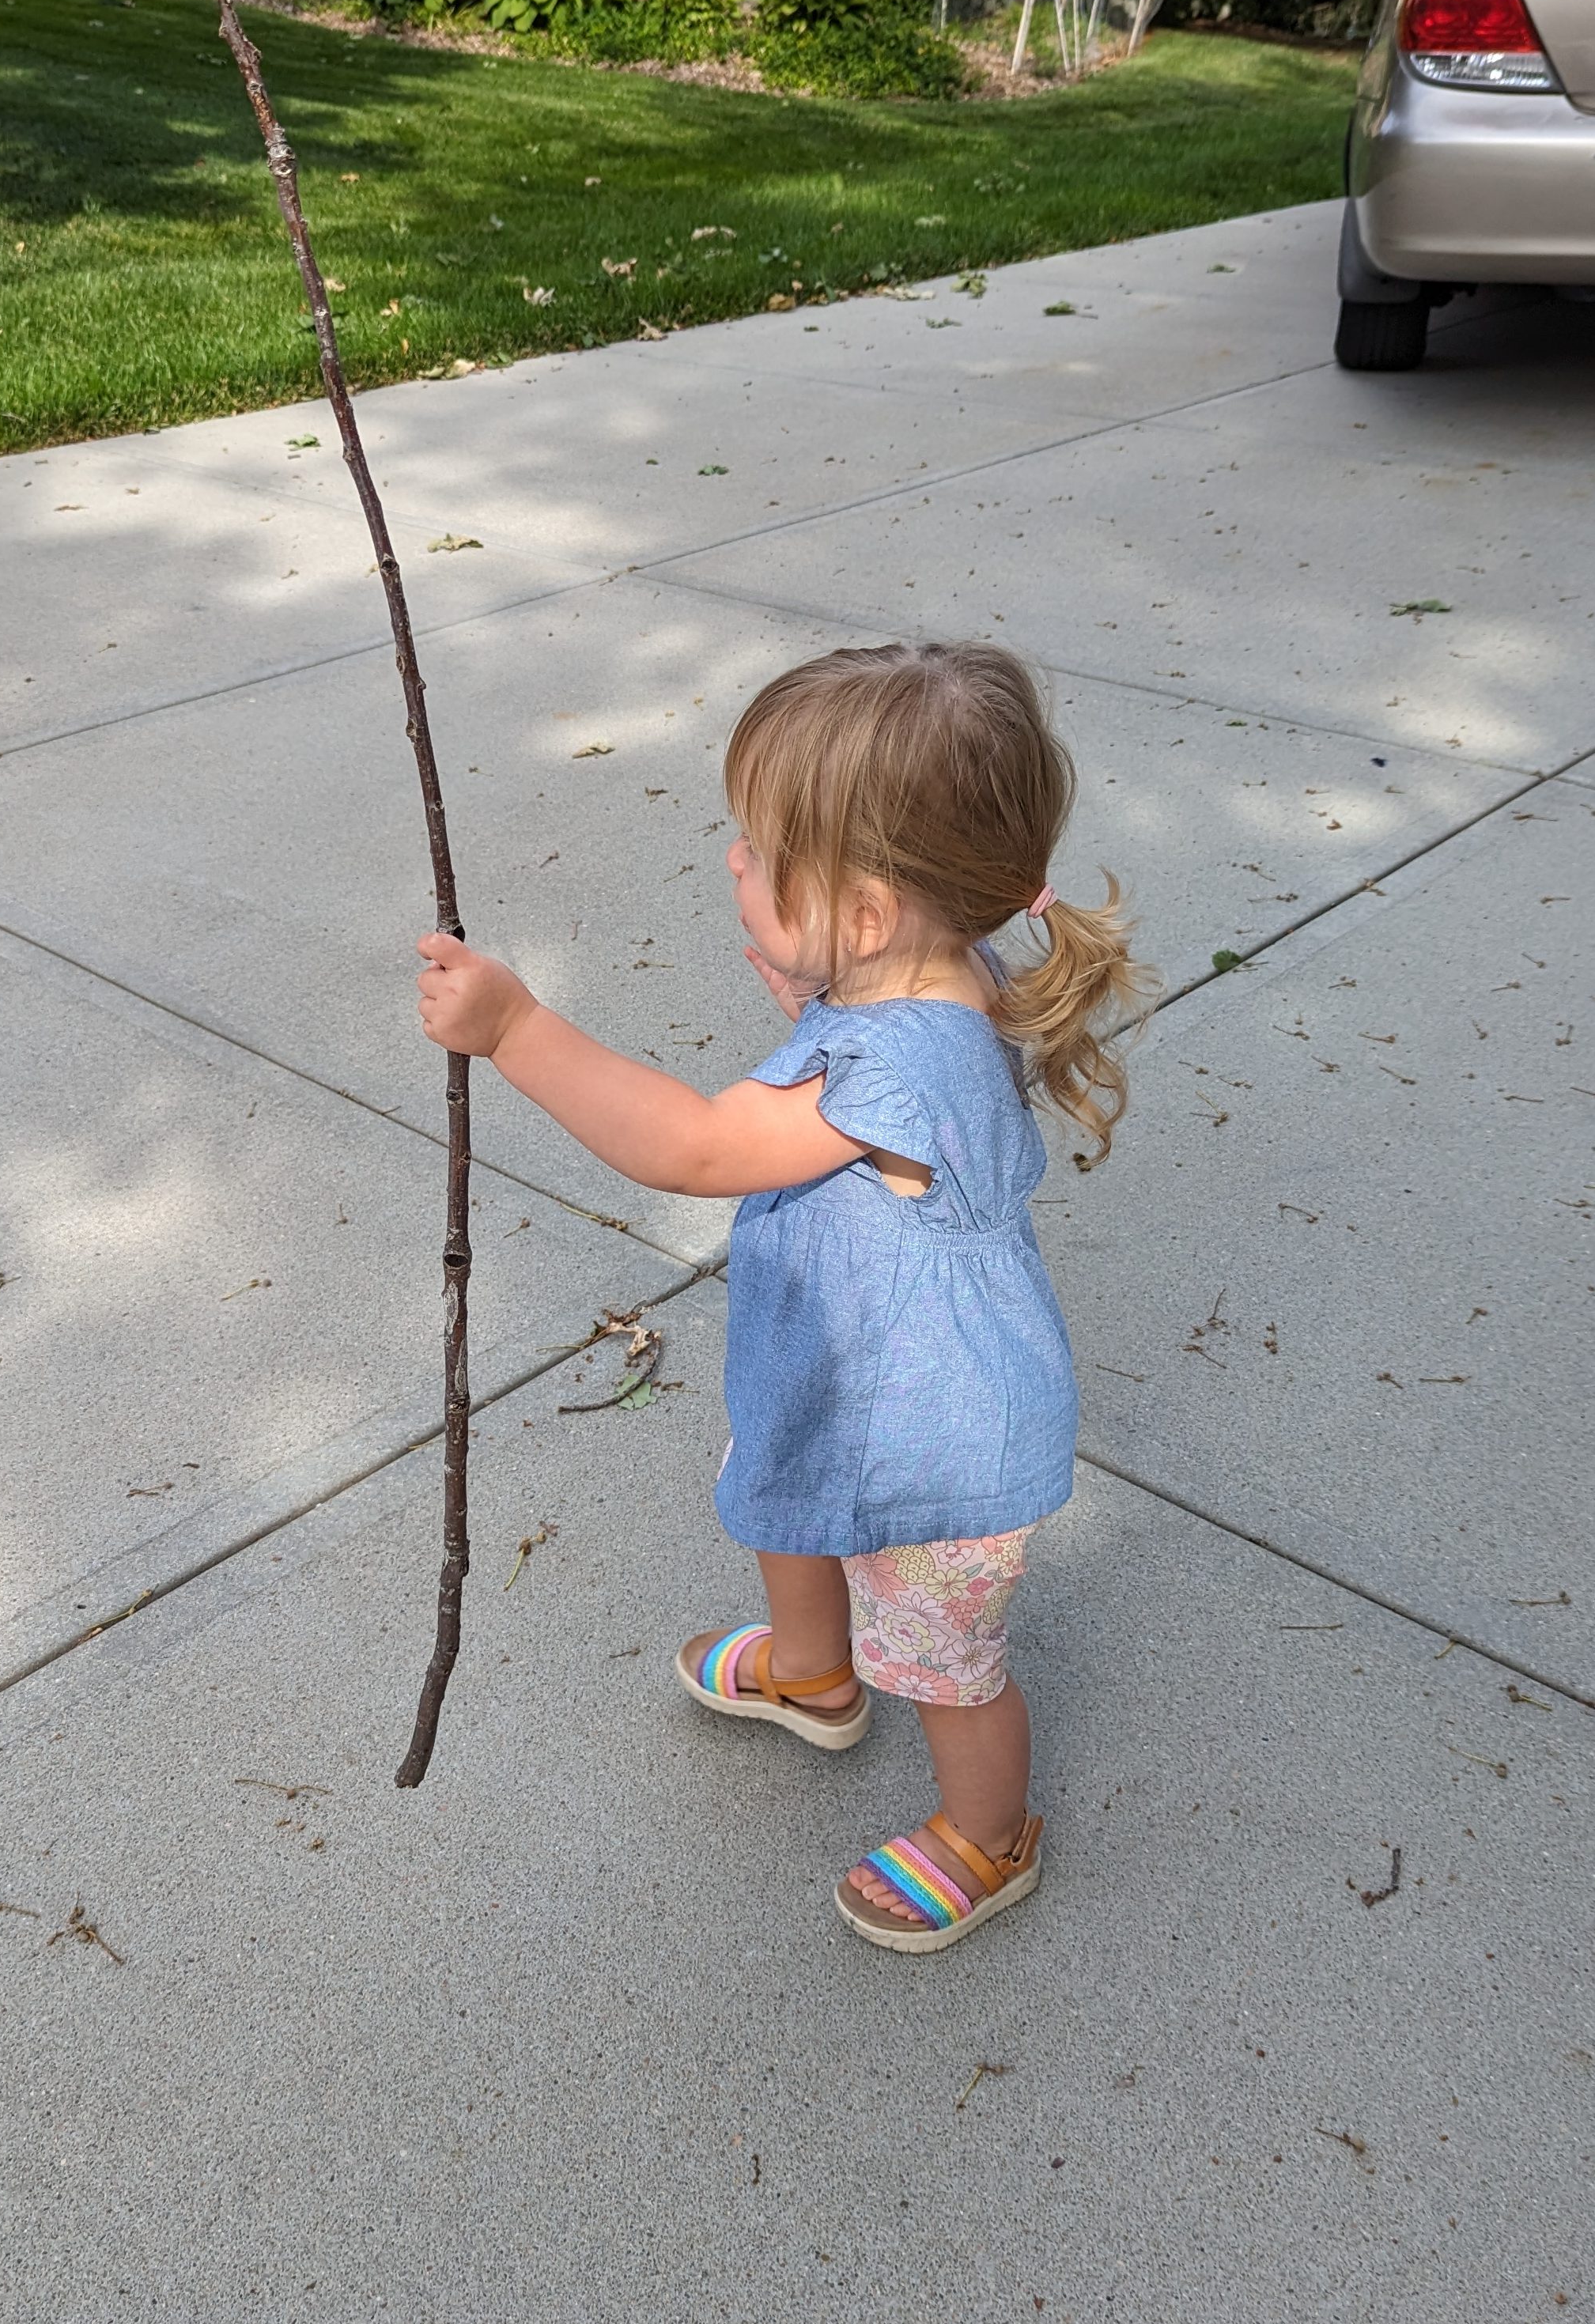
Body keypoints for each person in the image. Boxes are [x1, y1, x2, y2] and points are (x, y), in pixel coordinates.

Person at [415, 641, 1147, 1952]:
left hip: (930, 1445)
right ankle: (811, 1672)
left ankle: (987, 1831)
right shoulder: (936, 968)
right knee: (787, 1491)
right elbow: (869, 1019)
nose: (733, 861)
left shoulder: (892, 1067)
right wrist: (823, 986)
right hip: (849, 1379)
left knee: (945, 1661)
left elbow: (695, 1147)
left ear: (865, 913)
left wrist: (517, 1029)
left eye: (759, 850)